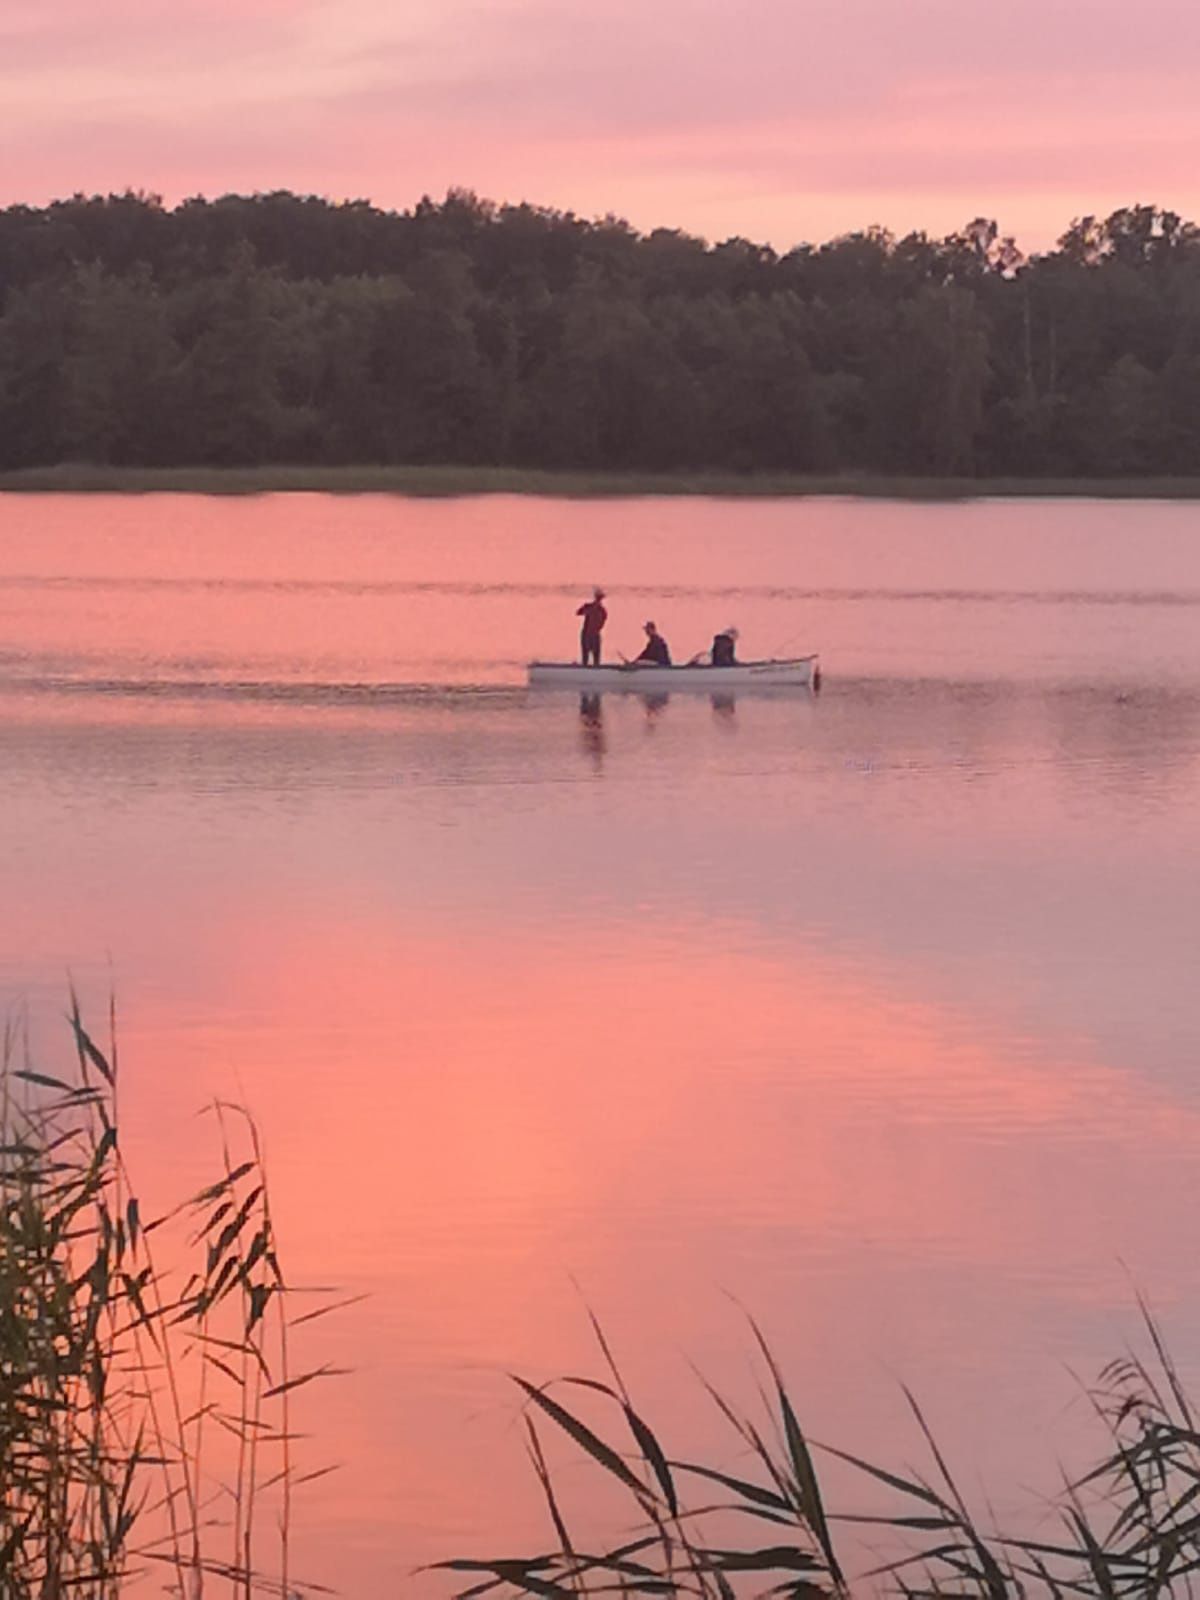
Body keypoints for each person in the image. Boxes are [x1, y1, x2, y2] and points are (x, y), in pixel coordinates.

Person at [576, 587, 607, 666]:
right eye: (598, 597)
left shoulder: (602, 611)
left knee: (596, 658)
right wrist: (588, 609)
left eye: (600, 598)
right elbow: (579, 612)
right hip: (587, 634)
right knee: (585, 657)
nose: (598, 599)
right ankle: (585, 669)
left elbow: (602, 623)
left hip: (594, 635)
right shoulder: (588, 607)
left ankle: (594, 671)